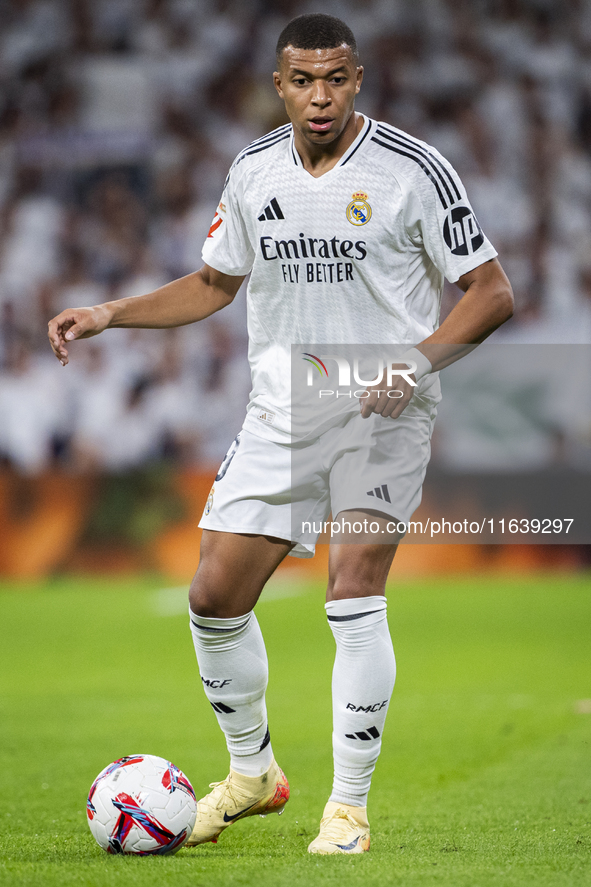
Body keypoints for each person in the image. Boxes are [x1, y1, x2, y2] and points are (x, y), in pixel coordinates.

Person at [48, 13, 514, 855]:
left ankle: (347, 807)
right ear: (280, 85)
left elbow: (489, 291)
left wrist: (414, 364)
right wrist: (111, 312)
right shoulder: (253, 170)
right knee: (213, 597)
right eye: (303, 80)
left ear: (358, 79)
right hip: (283, 408)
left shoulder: (414, 169)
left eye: (335, 78)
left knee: (353, 588)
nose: (320, 95)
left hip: (383, 407)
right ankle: (254, 773)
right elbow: (215, 282)